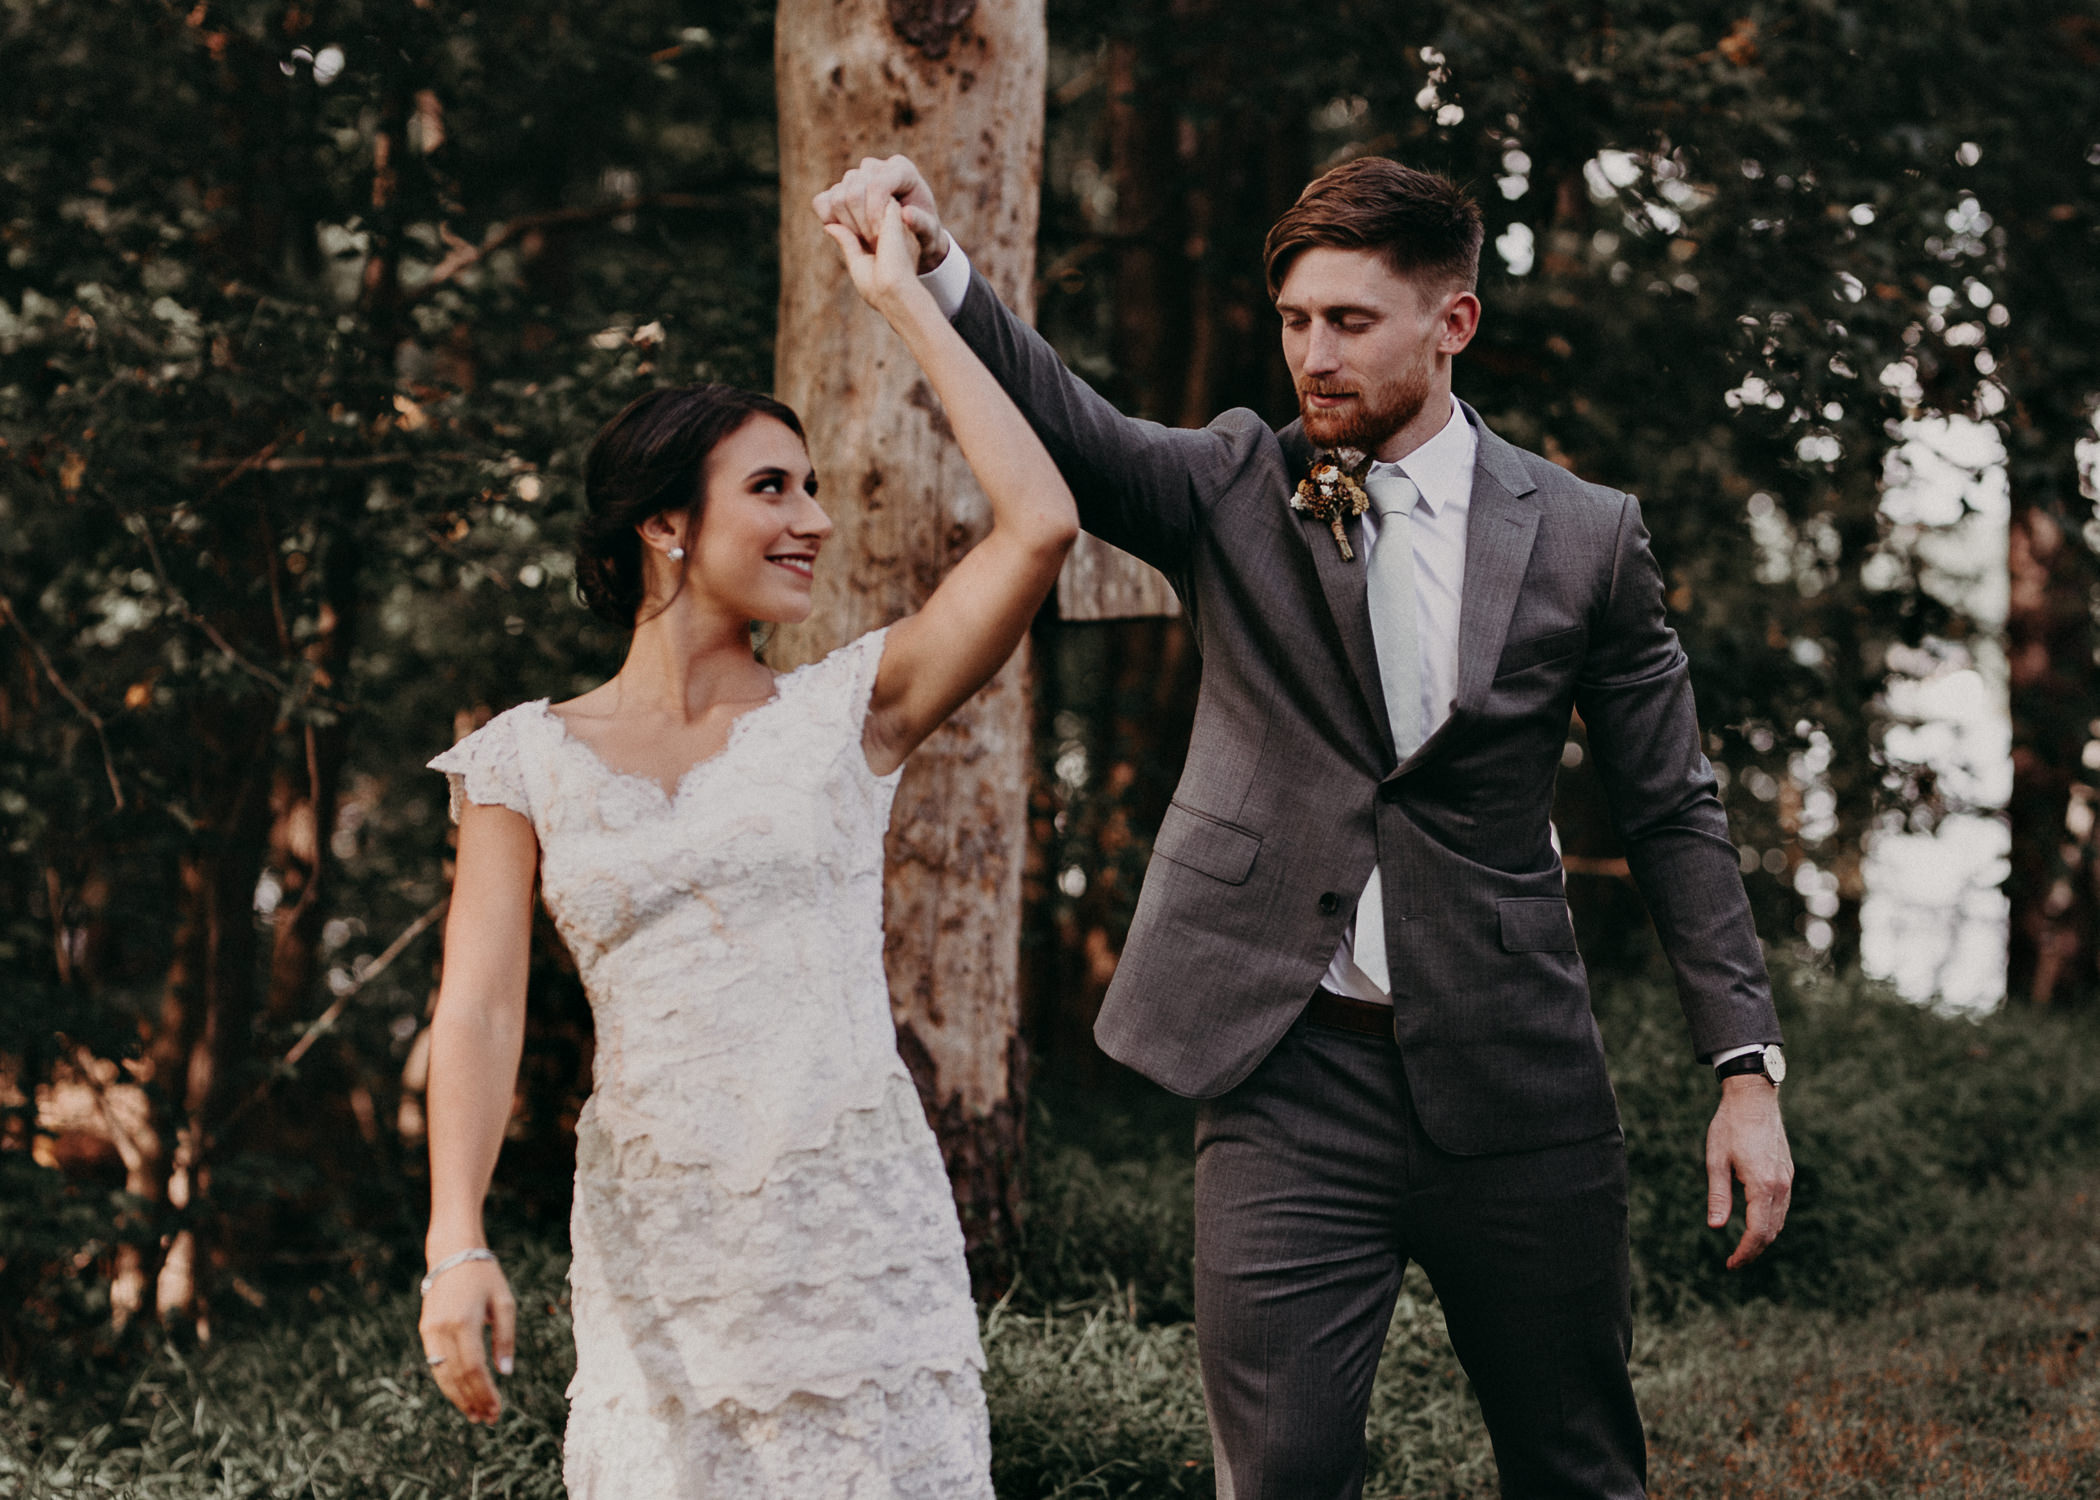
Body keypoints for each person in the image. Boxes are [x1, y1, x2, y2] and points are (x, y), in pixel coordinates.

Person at [814, 155, 1794, 1498]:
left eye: (1348, 322)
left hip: (1518, 1074)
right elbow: (1080, 431)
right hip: (1286, 1071)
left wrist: (1744, 1071)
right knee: (1280, 1476)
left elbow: (1674, 810)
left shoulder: (1585, 537)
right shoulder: (1234, 483)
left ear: (1452, 325)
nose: (1310, 355)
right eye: (1293, 321)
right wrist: (937, 266)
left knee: (1578, 1467)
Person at [414, 197, 1076, 1498]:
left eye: (815, 488)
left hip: (851, 1244)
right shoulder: (519, 761)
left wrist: (905, 305)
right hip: (656, 1261)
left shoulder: (852, 712)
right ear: (665, 525)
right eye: (772, 488)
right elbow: (481, 1011)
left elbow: (1040, 524)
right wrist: (456, 1238)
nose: (813, 519)